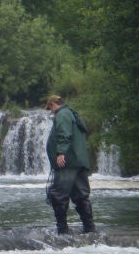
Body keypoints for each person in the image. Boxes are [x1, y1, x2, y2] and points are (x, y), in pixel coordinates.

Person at [45, 95, 96, 234]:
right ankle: (90, 230)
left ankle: (62, 231)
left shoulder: (62, 115)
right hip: (79, 162)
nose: (51, 111)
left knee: (57, 195)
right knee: (81, 195)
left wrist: (61, 153)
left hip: (67, 162)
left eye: (50, 108)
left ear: (54, 104)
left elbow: (64, 133)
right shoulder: (72, 114)